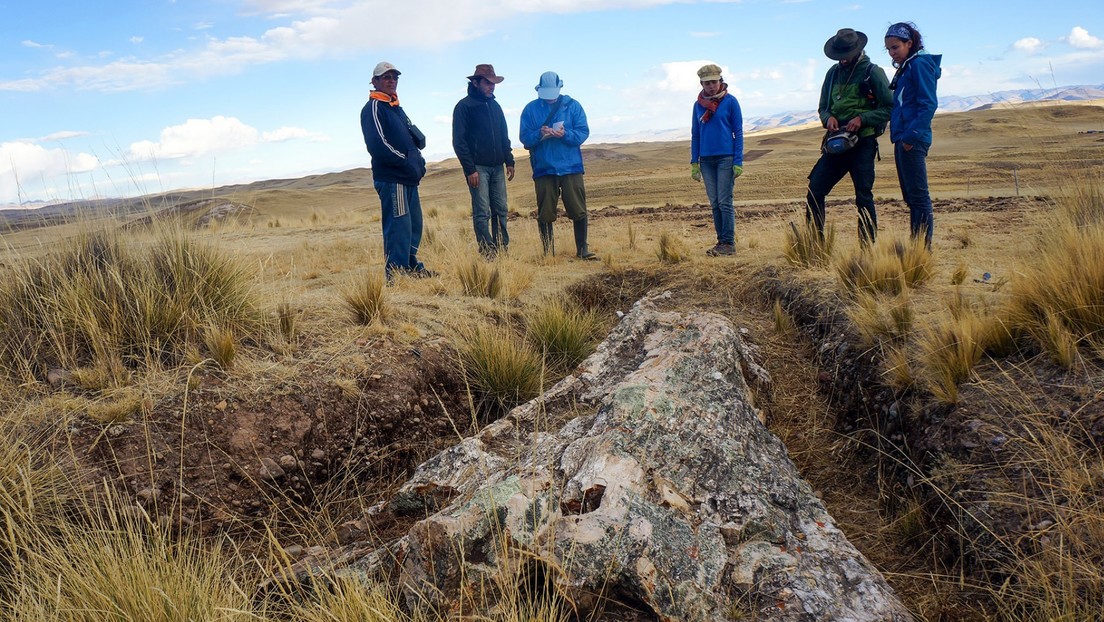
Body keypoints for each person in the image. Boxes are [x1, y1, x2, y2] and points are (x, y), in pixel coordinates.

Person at [805, 28, 894, 247]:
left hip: (863, 142)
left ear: (857, 50)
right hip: (835, 143)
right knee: (815, 189)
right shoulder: (832, 73)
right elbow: (823, 108)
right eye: (839, 55)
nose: (842, 59)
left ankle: (866, 248)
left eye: (844, 55)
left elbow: (890, 107)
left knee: (863, 196)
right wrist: (828, 119)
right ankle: (814, 245)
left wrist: (863, 119)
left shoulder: (872, 72)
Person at [360, 61, 435, 282]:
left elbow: (412, 140)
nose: (391, 81)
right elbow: (378, 145)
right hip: (393, 179)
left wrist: (418, 163)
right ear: (375, 82)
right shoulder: (373, 108)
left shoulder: (395, 107)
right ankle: (396, 274)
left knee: (414, 225)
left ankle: (411, 266)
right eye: (386, 77)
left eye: (394, 77)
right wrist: (406, 163)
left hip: (408, 178)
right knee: (398, 225)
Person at [519, 71, 597, 260]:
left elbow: (583, 132)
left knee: (578, 209)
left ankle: (582, 250)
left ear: (560, 88)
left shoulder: (573, 106)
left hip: (571, 167)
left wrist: (566, 134)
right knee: (545, 212)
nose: (550, 99)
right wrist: (540, 133)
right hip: (544, 169)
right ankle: (548, 254)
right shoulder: (530, 110)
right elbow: (525, 138)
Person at [885, 22, 941, 249]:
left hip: (911, 140)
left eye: (895, 47)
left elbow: (928, 104)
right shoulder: (908, 66)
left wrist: (911, 136)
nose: (892, 53)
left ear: (910, 43)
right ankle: (917, 246)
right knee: (911, 197)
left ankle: (922, 251)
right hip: (902, 137)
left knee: (918, 197)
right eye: (888, 49)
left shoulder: (919, 65)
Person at [452, 64, 516, 258]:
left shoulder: (495, 106)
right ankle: (488, 251)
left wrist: (509, 160)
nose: (492, 86)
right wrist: (470, 169)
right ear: (475, 82)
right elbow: (459, 141)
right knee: (482, 212)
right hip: (477, 168)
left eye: (493, 83)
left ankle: (501, 248)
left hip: (497, 166)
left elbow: (503, 135)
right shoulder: (464, 107)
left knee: (501, 209)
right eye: (487, 82)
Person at [690, 63, 744, 257]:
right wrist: (694, 163)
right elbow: (696, 134)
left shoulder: (730, 102)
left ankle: (728, 243)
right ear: (701, 84)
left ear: (720, 81)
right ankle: (721, 242)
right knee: (714, 203)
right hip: (706, 160)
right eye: (706, 83)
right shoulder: (698, 105)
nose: (711, 86)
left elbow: (738, 132)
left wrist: (738, 161)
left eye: (714, 82)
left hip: (725, 158)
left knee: (724, 201)